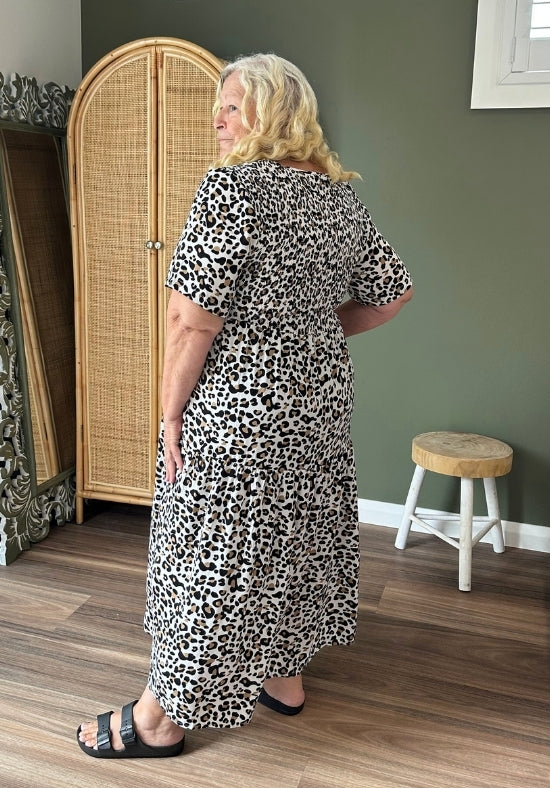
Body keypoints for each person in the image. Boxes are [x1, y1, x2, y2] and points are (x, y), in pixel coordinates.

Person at [77, 52, 413, 759]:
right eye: (218, 107)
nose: (217, 119)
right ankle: (284, 679)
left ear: (273, 110)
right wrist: (311, 333)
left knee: (210, 554)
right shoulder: (337, 196)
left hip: (240, 410)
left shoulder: (231, 190)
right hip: (319, 405)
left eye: (232, 105)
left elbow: (190, 322)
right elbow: (393, 294)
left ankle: (159, 719)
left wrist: (171, 413)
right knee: (293, 535)